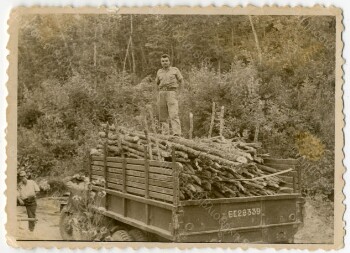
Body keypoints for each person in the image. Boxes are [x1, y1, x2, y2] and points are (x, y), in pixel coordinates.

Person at [155, 54, 184, 136]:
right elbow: (156, 83)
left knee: (174, 114)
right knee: (163, 116)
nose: (165, 63)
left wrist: (180, 93)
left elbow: (181, 80)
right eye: (163, 61)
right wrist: (157, 94)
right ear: (161, 62)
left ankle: (177, 134)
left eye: (166, 61)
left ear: (169, 61)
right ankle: (165, 134)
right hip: (162, 94)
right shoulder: (159, 71)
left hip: (172, 93)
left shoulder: (175, 70)